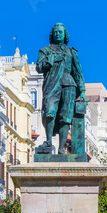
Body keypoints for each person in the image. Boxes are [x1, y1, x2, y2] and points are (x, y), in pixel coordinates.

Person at [36, 23, 85, 154]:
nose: (58, 34)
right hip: (51, 84)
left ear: (65, 35)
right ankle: (48, 142)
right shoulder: (45, 51)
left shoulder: (71, 52)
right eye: (55, 32)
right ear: (52, 34)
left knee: (66, 117)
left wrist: (83, 90)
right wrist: (51, 60)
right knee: (49, 111)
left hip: (69, 84)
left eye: (60, 32)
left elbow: (78, 72)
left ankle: (61, 148)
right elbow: (39, 67)